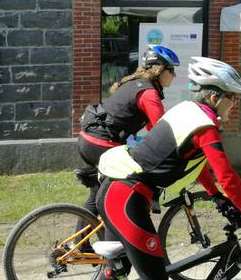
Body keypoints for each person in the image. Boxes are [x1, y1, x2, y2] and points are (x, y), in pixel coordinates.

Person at [95, 56, 241, 280]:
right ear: (214, 97)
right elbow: (228, 177)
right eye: (232, 96)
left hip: (117, 193)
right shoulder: (204, 126)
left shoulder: (188, 111)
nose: (235, 102)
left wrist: (216, 196)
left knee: (116, 274)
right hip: (126, 198)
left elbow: (197, 162)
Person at [77, 44, 180, 218]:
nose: (174, 75)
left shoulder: (135, 84)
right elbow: (161, 130)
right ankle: (125, 231)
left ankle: (80, 243)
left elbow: (152, 128)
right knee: (132, 186)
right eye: (171, 70)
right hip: (103, 143)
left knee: (96, 197)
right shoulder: (149, 93)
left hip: (88, 140)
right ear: (160, 70)